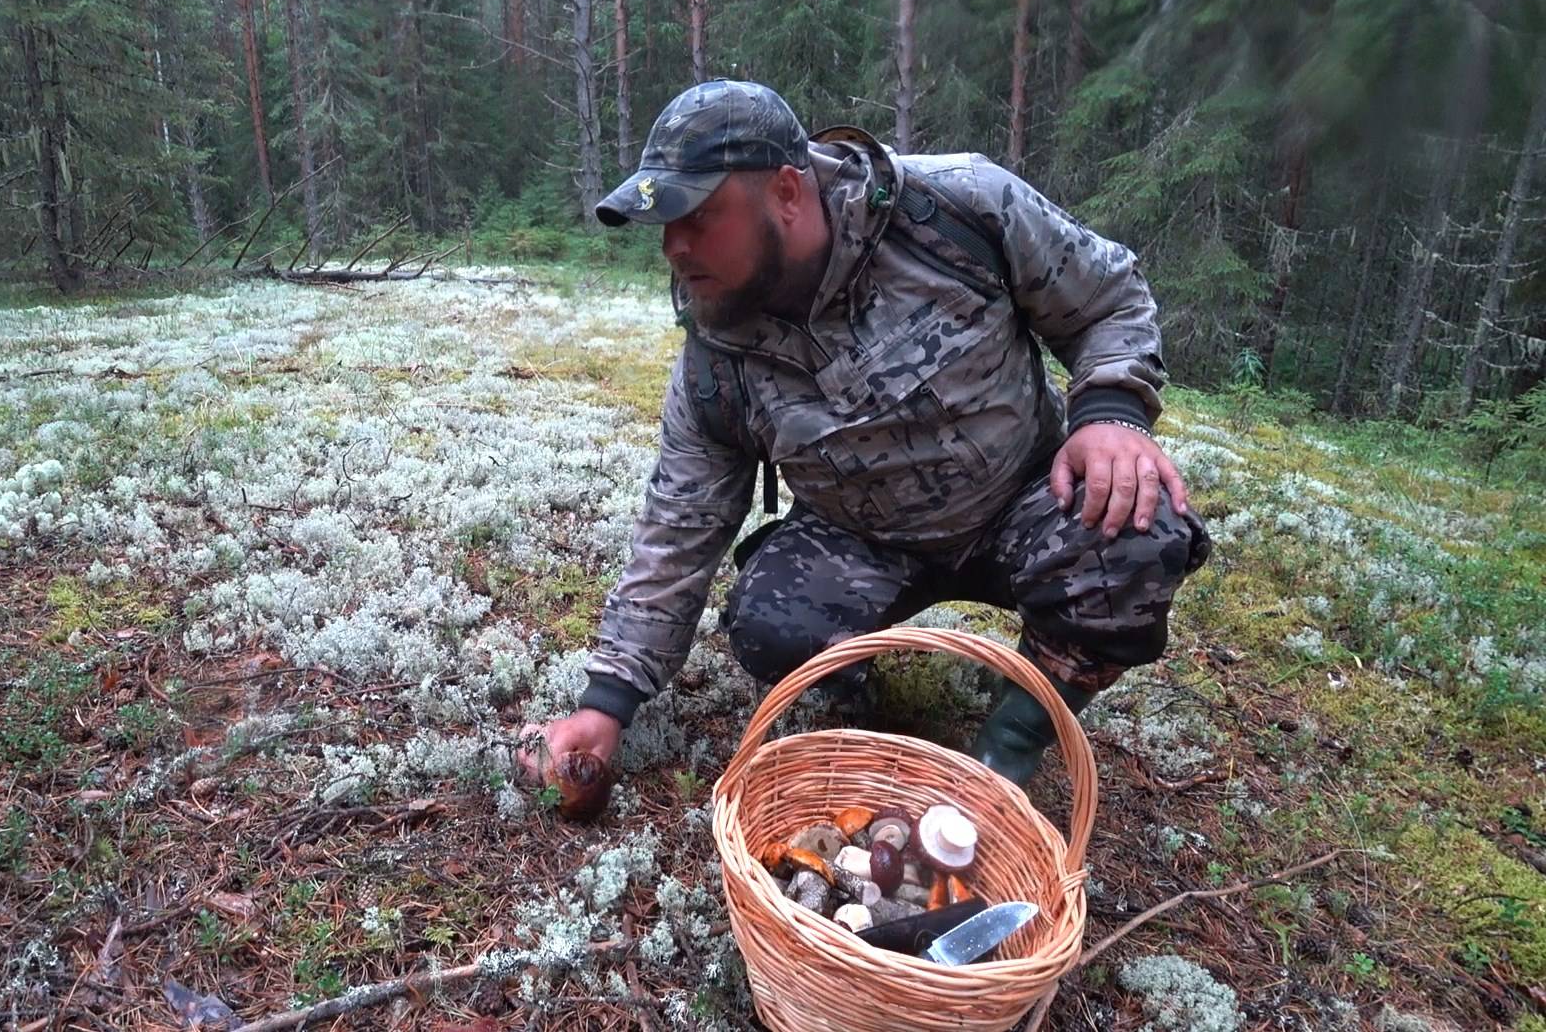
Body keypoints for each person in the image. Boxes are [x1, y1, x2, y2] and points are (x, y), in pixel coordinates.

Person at [518, 80, 1210, 791]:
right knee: (769, 622)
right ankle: (854, 710)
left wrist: (1111, 414)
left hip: (1024, 499)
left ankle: (1009, 749)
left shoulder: (959, 209)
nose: (674, 246)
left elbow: (1110, 298)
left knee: (1137, 529)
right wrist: (605, 706)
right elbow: (677, 531)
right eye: (663, 220)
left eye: (697, 214)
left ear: (787, 192)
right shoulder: (715, 359)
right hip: (863, 538)